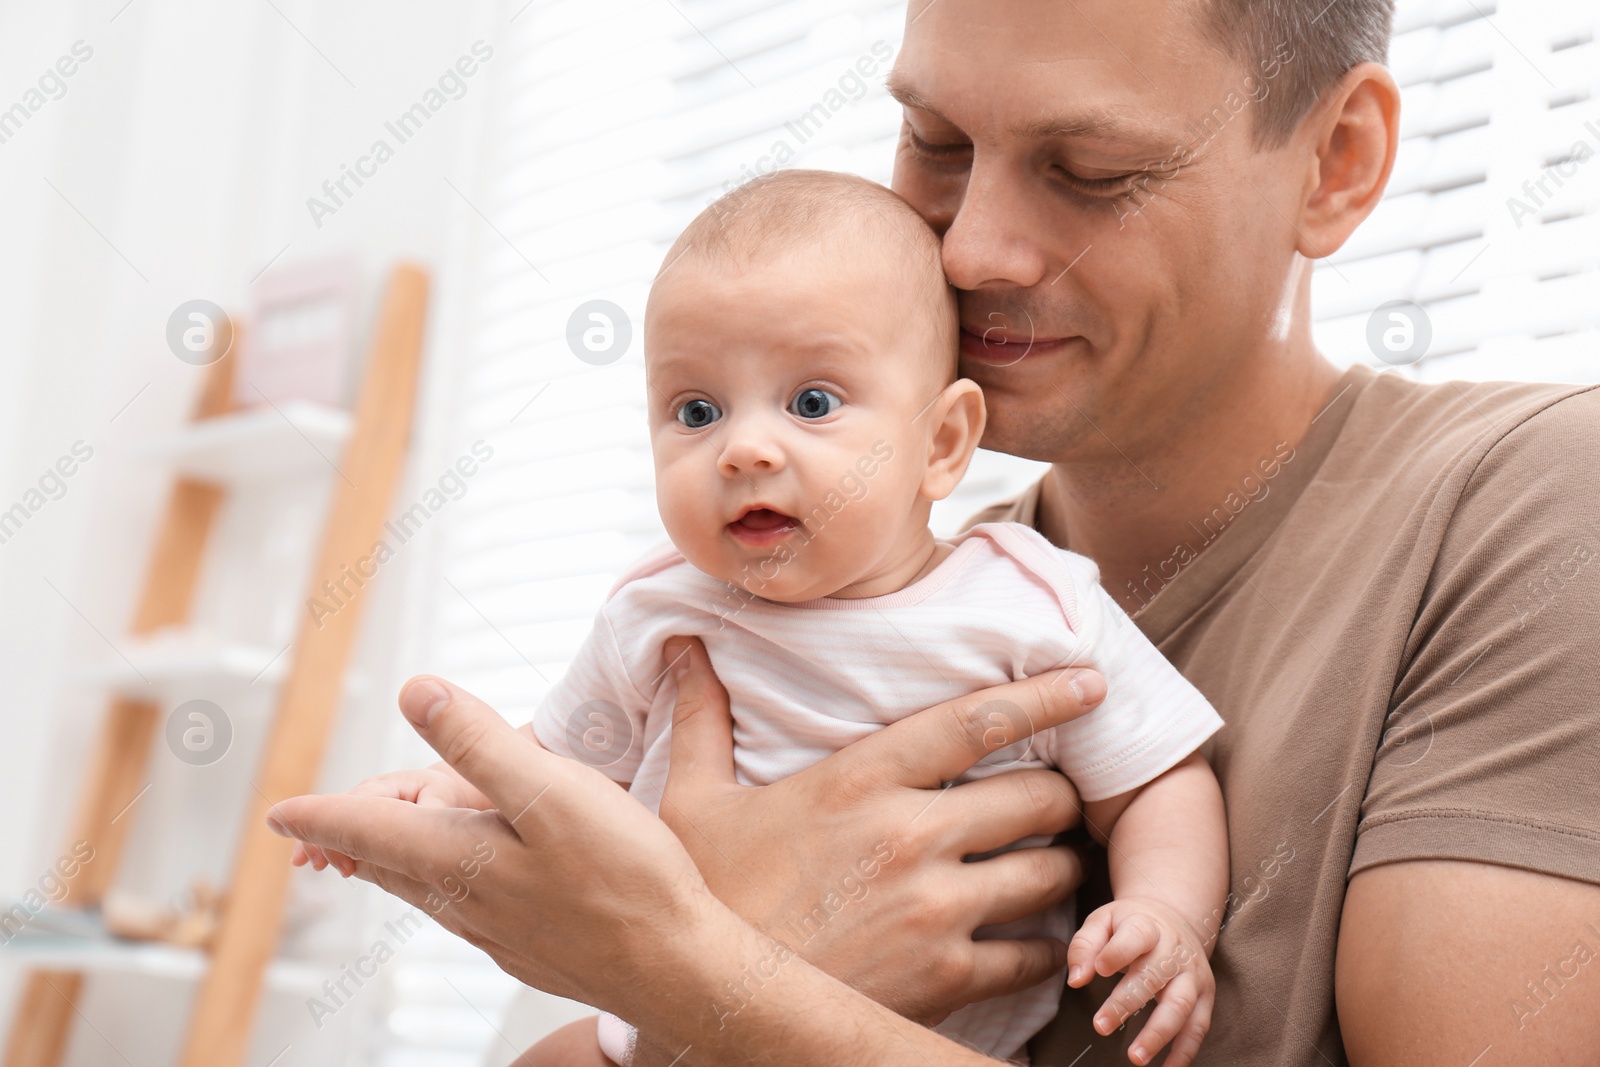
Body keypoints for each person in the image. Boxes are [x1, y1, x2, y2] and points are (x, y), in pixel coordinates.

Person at [268, 0, 1600, 1063]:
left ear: (1339, 162)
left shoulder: (1531, 505)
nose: (973, 250)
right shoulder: (785, 599)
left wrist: (711, 975)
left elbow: (664, 987)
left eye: (1093, 170)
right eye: (940, 149)